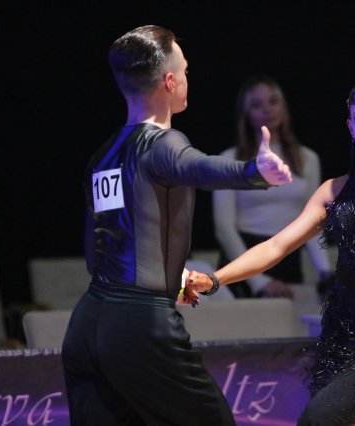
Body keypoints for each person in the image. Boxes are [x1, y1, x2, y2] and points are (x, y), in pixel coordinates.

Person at [61, 25, 291, 426]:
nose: (187, 78)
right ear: (170, 81)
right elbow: (197, 167)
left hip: (88, 325)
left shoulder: (102, 156)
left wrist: (168, 274)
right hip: (140, 328)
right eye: (185, 70)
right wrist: (255, 171)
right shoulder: (163, 143)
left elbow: (98, 254)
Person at [185, 78, 355, 425]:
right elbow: (277, 246)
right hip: (340, 336)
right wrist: (214, 280)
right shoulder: (333, 190)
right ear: (349, 126)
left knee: (316, 420)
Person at [213, 74, 333, 298]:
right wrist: (258, 281)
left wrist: (325, 272)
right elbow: (224, 227)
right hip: (243, 259)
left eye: (273, 101)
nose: (267, 109)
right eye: (257, 105)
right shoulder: (229, 159)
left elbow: (313, 221)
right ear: (245, 113)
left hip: (287, 255)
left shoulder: (307, 159)